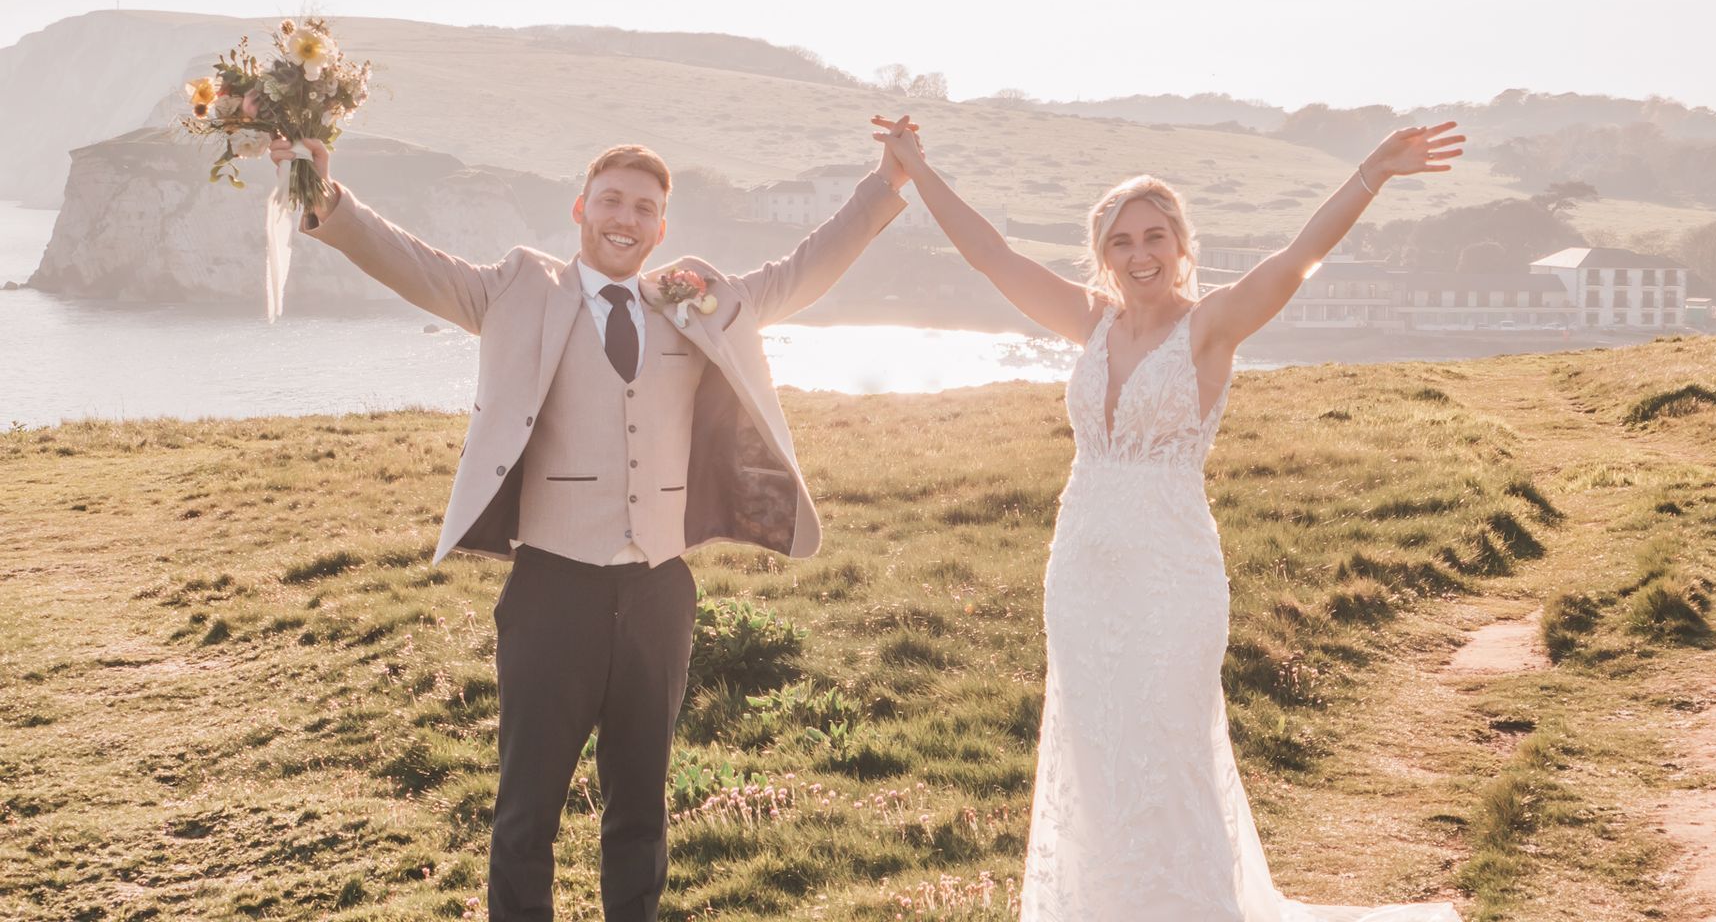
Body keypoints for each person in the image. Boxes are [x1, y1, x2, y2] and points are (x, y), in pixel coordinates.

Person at [273, 131, 911, 922]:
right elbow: (413, 263)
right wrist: (322, 194)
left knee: (641, 813)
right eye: (610, 199)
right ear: (580, 209)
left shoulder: (690, 299)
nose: (625, 217)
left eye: (645, 208)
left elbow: (800, 272)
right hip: (552, 591)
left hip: (660, 595)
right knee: (524, 814)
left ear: (660, 230)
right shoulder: (517, 288)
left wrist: (883, 185)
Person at [869, 114, 1466, 922]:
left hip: (1173, 578)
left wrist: (1373, 171)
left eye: (1155, 236)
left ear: (1182, 244)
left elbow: (1294, 262)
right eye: (1121, 241)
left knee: (1169, 755)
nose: (1139, 254)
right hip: (1080, 572)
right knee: (1096, 754)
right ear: (1102, 253)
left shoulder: (1210, 325)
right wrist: (914, 167)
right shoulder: (1089, 322)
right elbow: (991, 255)